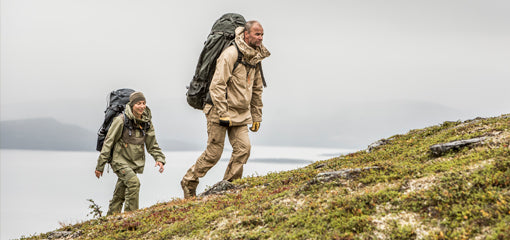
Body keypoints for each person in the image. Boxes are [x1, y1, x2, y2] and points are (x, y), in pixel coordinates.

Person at [181, 20, 271, 198]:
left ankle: (228, 187)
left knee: (243, 149)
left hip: (240, 112)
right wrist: (222, 113)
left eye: (262, 34)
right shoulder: (230, 54)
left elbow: (257, 89)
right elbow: (217, 86)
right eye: (257, 34)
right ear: (246, 34)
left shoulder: (256, 57)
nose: (260, 38)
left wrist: (257, 116)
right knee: (214, 153)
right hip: (218, 110)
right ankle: (189, 181)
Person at [95, 91, 166, 215]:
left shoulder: (147, 122)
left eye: (144, 103)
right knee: (134, 183)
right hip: (118, 161)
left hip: (133, 163)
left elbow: (152, 144)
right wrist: (100, 166)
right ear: (132, 105)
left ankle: (110, 219)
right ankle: (131, 218)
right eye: (138, 103)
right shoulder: (121, 120)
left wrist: (159, 159)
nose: (142, 106)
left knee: (120, 193)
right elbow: (108, 143)